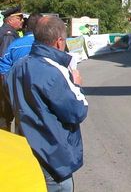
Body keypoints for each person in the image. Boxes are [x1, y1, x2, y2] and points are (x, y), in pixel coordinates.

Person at [7, 16, 88, 191]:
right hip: (52, 158)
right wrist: (77, 85)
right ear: (59, 42)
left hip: (25, 152)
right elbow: (77, 112)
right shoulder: (54, 71)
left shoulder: (17, 67)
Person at [0, 6, 24, 131]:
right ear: (10, 20)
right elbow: (5, 63)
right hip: (4, 82)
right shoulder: (8, 35)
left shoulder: (6, 32)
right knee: (5, 116)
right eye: (19, 18)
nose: (22, 21)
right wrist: (7, 88)